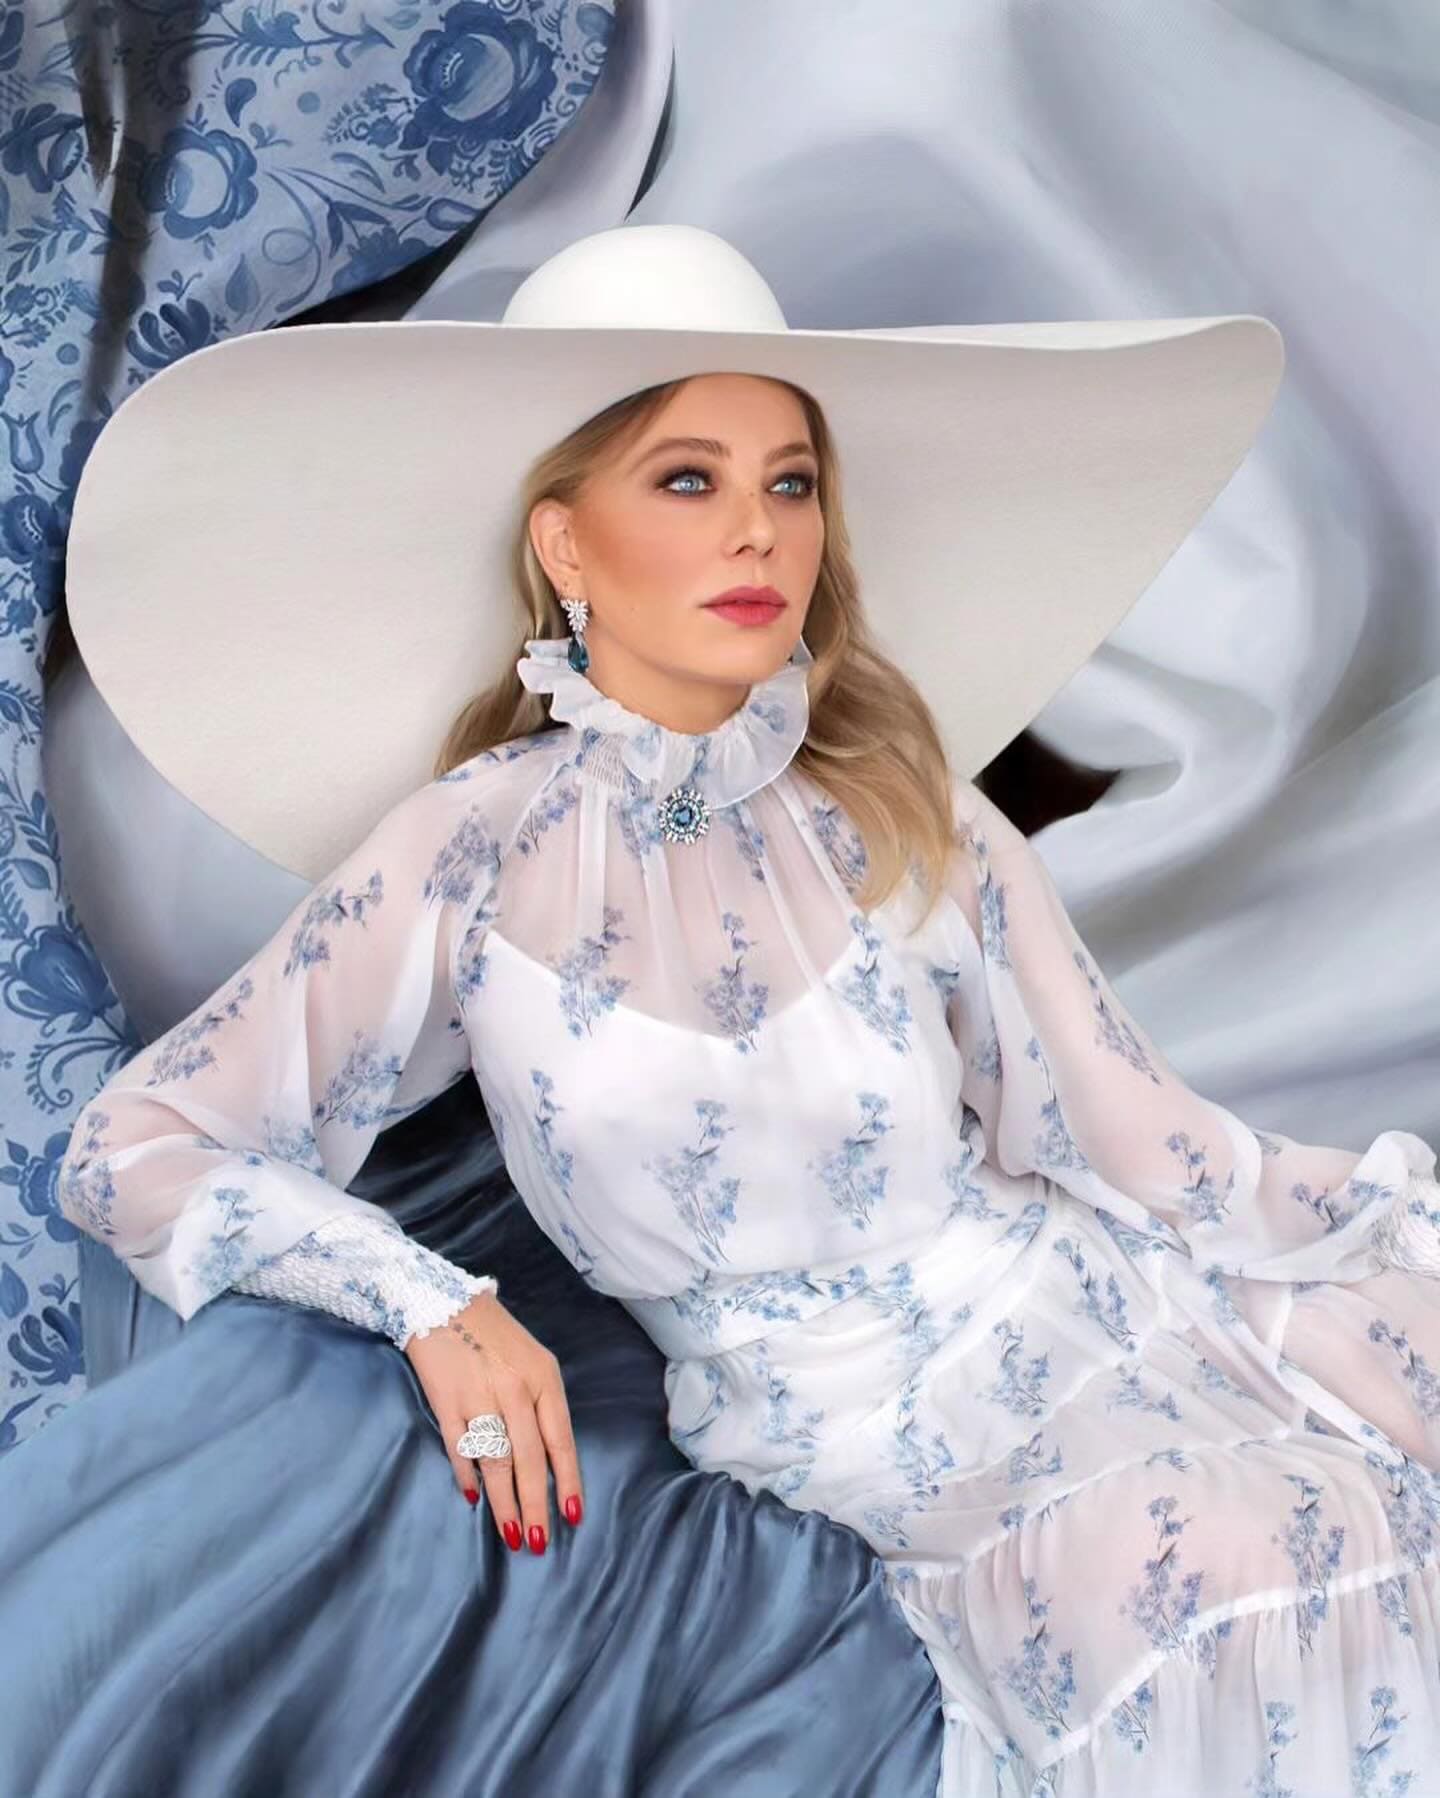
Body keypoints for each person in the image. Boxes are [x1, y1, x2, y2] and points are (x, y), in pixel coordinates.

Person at [48, 225, 1440, 1795]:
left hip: (1076, 1319)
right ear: (566, 545)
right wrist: (430, 1302)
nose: (758, 531)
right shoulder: (467, 852)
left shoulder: (907, 808)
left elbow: (1136, 1127)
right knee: (1212, 1567)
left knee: (1329, 1479)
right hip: (834, 1438)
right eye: (688, 479)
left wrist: (1376, 1233)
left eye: (790, 481)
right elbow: (134, 1144)